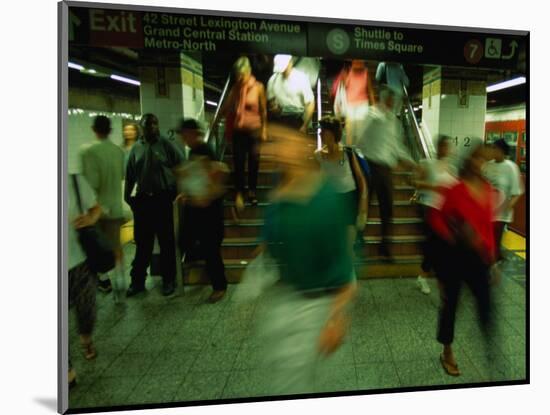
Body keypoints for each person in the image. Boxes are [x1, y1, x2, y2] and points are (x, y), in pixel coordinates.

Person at [258, 125, 357, 394]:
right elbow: (269, 243)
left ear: (301, 147)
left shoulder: (324, 201)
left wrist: (335, 320)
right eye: (271, 142)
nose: (272, 149)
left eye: (282, 141)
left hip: (317, 308)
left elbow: (345, 272)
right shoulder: (279, 196)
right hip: (286, 300)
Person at [429, 143, 497, 376]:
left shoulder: (488, 189)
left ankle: (490, 348)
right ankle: (447, 350)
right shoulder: (455, 190)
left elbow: (487, 226)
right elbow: (436, 218)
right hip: (455, 256)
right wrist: (453, 235)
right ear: (470, 160)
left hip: (479, 258)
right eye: (479, 158)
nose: (482, 164)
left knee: (486, 304)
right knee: (450, 306)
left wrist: (493, 259)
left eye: (485, 160)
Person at [124, 113, 183, 297]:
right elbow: (130, 176)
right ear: (141, 127)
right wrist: (129, 200)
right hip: (143, 202)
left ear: (157, 126)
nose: (151, 128)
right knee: (142, 244)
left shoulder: (167, 145)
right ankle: (137, 282)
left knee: (166, 243)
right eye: (147, 125)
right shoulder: (136, 149)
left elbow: (182, 167)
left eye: (153, 125)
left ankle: (168, 280)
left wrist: (179, 193)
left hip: (163, 200)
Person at [355, 87, 415, 259]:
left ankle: (385, 247)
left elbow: (398, 147)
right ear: (383, 98)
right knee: (362, 207)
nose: (392, 102)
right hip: (369, 166)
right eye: (389, 98)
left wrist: (412, 163)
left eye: (393, 99)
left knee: (387, 209)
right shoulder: (371, 115)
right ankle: (357, 242)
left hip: (385, 169)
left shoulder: (394, 122)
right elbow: (358, 139)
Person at [175, 118, 229, 303]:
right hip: (197, 207)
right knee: (189, 241)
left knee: (211, 249)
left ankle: (220, 286)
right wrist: (187, 193)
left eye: (185, 134)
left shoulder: (205, 151)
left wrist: (207, 194)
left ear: (193, 133)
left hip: (209, 210)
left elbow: (217, 174)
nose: (183, 138)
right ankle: (200, 270)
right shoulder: (194, 152)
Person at [80, 115, 126, 299]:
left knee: (94, 247)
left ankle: (104, 281)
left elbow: (91, 184)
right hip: (115, 207)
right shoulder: (118, 151)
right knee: (116, 246)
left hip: (97, 211)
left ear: (93, 129)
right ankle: (121, 281)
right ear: (110, 130)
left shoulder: (88, 151)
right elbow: (122, 175)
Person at [315, 116, 368, 255]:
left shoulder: (348, 153)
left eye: (323, 131)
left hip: (349, 200)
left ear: (332, 134)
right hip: (331, 202)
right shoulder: (318, 155)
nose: (320, 134)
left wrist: (363, 204)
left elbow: (361, 179)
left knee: (348, 247)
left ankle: (348, 274)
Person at [220, 56, 268, 211]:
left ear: (248, 71)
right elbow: (226, 107)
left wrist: (264, 129)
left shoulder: (259, 87)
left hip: (254, 131)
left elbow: (263, 110)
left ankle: (252, 192)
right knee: (239, 163)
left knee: (254, 163)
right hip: (238, 132)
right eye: (237, 75)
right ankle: (239, 192)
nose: (240, 77)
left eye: (242, 74)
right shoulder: (235, 88)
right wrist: (215, 122)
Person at [68, 174, 102, 387]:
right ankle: (66, 368)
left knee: (87, 308)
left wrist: (90, 219)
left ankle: (86, 337)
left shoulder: (73, 180)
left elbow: (96, 207)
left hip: (78, 260)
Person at [412, 135, 458, 294]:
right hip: (430, 209)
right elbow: (415, 182)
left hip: (446, 213)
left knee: (441, 246)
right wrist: (433, 187)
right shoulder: (427, 163)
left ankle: (432, 276)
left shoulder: (451, 168)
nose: (446, 149)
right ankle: (423, 276)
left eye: (448, 146)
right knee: (433, 245)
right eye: (443, 146)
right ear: (437, 147)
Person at [482, 138, 524, 264]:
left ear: (502, 151)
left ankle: (493, 263)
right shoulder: (487, 165)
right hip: (487, 209)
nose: (492, 151)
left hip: (501, 213)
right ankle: (493, 259)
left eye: (495, 148)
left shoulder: (511, 167)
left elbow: (517, 192)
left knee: (494, 240)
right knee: (486, 240)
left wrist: (509, 206)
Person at [266, 54, 315, 133]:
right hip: (279, 121)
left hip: (297, 120)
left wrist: (305, 125)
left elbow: (310, 103)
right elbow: (271, 102)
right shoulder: (272, 80)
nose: (283, 72)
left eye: (284, 68)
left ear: (290, 63)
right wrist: (274, 108)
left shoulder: (301, 78)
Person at [331, 60, 375, 145]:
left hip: (362, 105)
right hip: (350, 104)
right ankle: (350, 151)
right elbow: (344, 87)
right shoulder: (347, 71)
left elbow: (370, 90)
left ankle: (358, 151)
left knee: (360, 131)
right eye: (356, 61)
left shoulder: (365, 72)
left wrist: (373, 106)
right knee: (349, 131)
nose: (358, 62)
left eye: (360, 61)